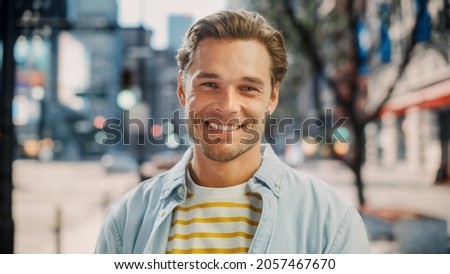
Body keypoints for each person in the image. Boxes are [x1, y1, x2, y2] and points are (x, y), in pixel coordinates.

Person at [95, 9, 370, 254]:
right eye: (209, 85)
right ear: (182, 89)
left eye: (248, 88)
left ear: (272, 98)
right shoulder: (126, 221)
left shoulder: (331, 223)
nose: (227, 107)